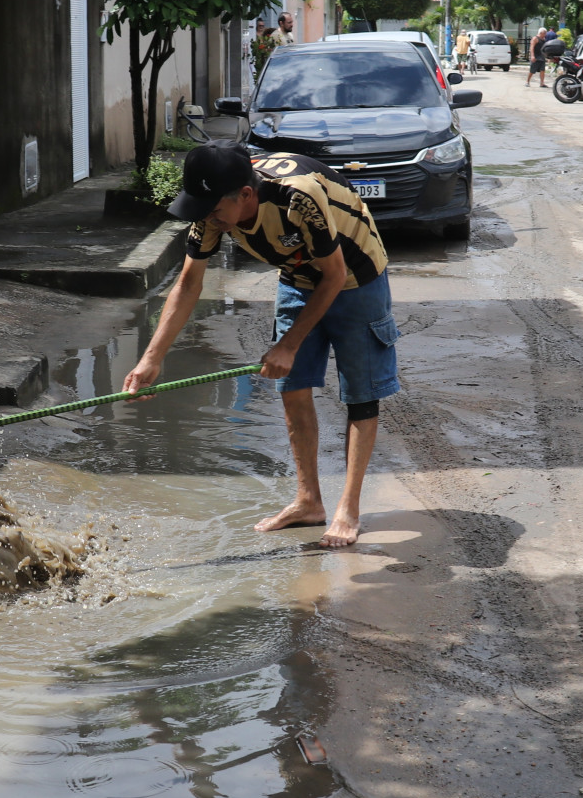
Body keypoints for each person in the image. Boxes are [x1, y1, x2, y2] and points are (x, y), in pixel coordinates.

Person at [121, 141, 396, 550]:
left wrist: (287, 344)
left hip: (356, 278)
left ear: (245, 195)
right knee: (293, 387)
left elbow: (334, 276)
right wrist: (150, 359)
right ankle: (308, 501)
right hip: (298, 277)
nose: (209, 220)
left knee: (361, 393)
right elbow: (188, 283)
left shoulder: (299, 197)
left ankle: (348, 509)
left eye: (214, 211)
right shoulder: (214, 211)